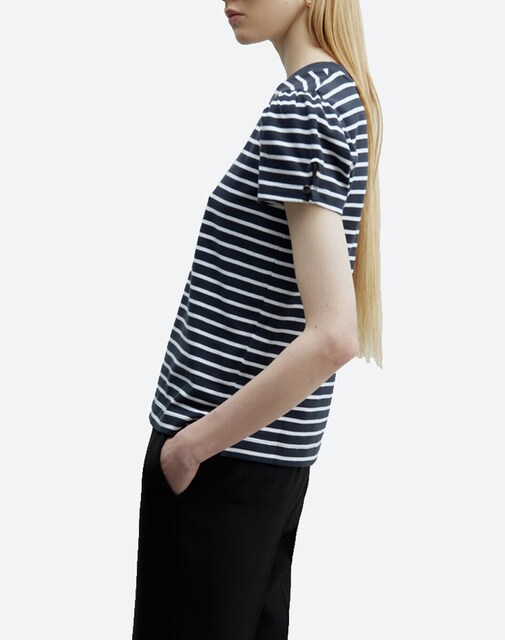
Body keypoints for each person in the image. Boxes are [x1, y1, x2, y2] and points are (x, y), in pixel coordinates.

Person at [132, 0, 383, 638]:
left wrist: (190, 448)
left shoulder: (305, 106)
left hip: (218, 466)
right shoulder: (340, 94)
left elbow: (334, 336)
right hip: (258, 469)